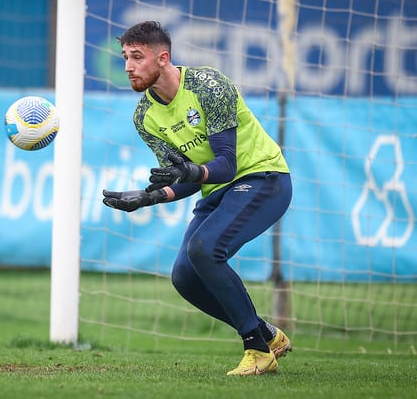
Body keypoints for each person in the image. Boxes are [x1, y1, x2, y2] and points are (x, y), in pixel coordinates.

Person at [102, 21, 293, 376]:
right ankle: (267, 333)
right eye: (125, 57)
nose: (128, 66)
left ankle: (256, 348)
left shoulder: (208, 86)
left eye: (137, 56)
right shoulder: (144, 116)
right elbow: (186, 179)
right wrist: (148, 198)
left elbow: (225, 164)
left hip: (262, 178)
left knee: (204, 249)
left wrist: (191, 173)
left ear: (163, 58)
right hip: (218, 192)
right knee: (184, 278)